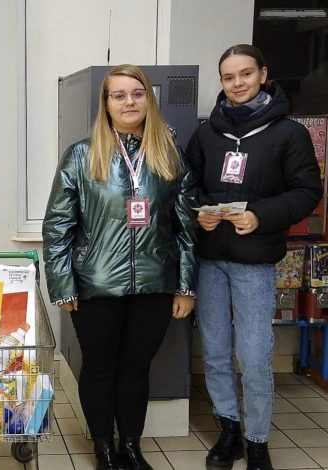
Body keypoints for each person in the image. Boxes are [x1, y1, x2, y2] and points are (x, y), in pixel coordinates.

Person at [43, 64, 198, 470]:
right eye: (119, 95)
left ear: (149, 100)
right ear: (106, 103)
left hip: (154, 285)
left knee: (136, 368)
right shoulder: (81, 155)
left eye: (137, 93)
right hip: (95, 286)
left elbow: (186, 227)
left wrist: (185, 287)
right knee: (99, 368)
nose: (129, 101)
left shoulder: (168, 155)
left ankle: (131, 445)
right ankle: (103, 448)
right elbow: (58, 226)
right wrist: (62, 284)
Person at [186, 44, 322, 470]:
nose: (237, 83)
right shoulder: (207, 133)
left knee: (255, 356)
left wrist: (260, 216)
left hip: (255, 262)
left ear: (263, 74)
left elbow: (307, 192)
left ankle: (257, 440)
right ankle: (228, 429)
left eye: (245, 74)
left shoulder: (289, 134)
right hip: (210, 259)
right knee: (214, 351)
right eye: (229, 77)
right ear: (221, 82)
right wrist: (199, 212)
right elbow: (188, 185)